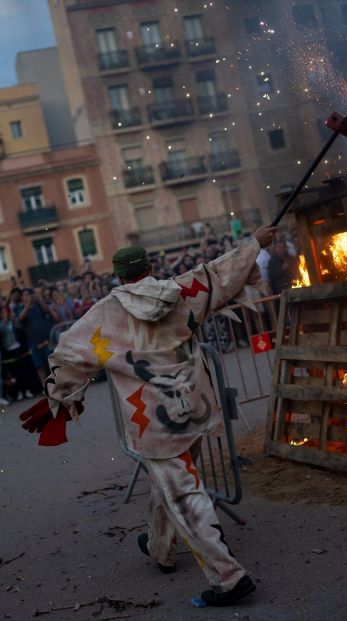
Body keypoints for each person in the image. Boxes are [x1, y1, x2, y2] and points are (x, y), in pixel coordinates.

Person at [30, 225, 275, 607]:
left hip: (155, 425)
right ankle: (160, 549)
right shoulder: (182, 292)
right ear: (148, 268)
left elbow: (68, 353)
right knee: (170, 484)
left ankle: (229, 577)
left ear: (118, 275)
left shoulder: (104, 315)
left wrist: (60, 397)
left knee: (184, 494)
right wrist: (255, 243)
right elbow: (220, 274)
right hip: (195, 409)